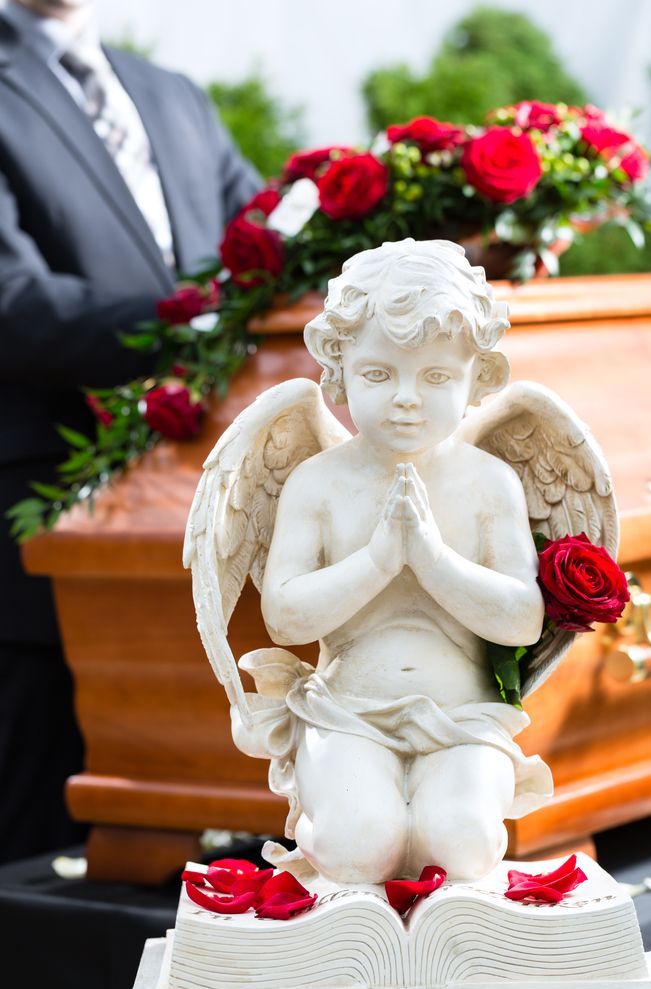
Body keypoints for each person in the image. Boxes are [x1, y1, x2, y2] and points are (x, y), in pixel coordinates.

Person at [0, 0, 261, 861]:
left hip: (190, 520)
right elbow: (10, 302)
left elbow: (277, 243)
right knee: (38, 847)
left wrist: (448, 244)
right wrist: (188, 321)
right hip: (41, 527)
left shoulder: (174, 94)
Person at [228, 240, 554, 884]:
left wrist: (429, 558)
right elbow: (286, 619)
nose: (406, 398)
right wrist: (381, 559)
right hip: (346, 712)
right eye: (379, 374)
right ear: (338, 369)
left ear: (478, 379)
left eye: (436, 377)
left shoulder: (490, 484)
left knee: (462, 846)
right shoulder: (317, 483)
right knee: (356, 848)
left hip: (462, 718)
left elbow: (521, 620)